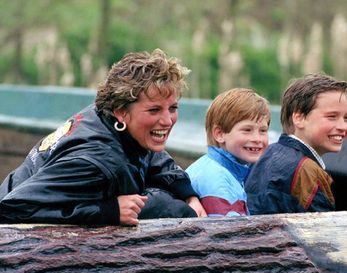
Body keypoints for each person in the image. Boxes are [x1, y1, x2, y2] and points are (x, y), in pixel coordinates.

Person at [0, 48, 207, 225]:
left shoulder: (109, 119)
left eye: (172, 108)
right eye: (154, 110)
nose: (167, 120)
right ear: (121, 111)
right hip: (18, 239)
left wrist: (187, 193)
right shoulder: (96, 162)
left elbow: (152, 155)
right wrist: (108, 211)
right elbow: (10, 208)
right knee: (167, 207)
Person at [245, 73, 347, 214]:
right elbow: (323, 232)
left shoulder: (267, 153)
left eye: (346, 118)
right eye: (332, 117)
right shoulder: (307, 171)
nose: (343, 126)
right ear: (299, 118)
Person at [186, 88, 271, 217]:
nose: (257, 139)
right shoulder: (218, 181)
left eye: (263, 131)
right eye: (247, 130)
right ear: (219, 134)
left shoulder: (215, 167)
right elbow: (229, 234)